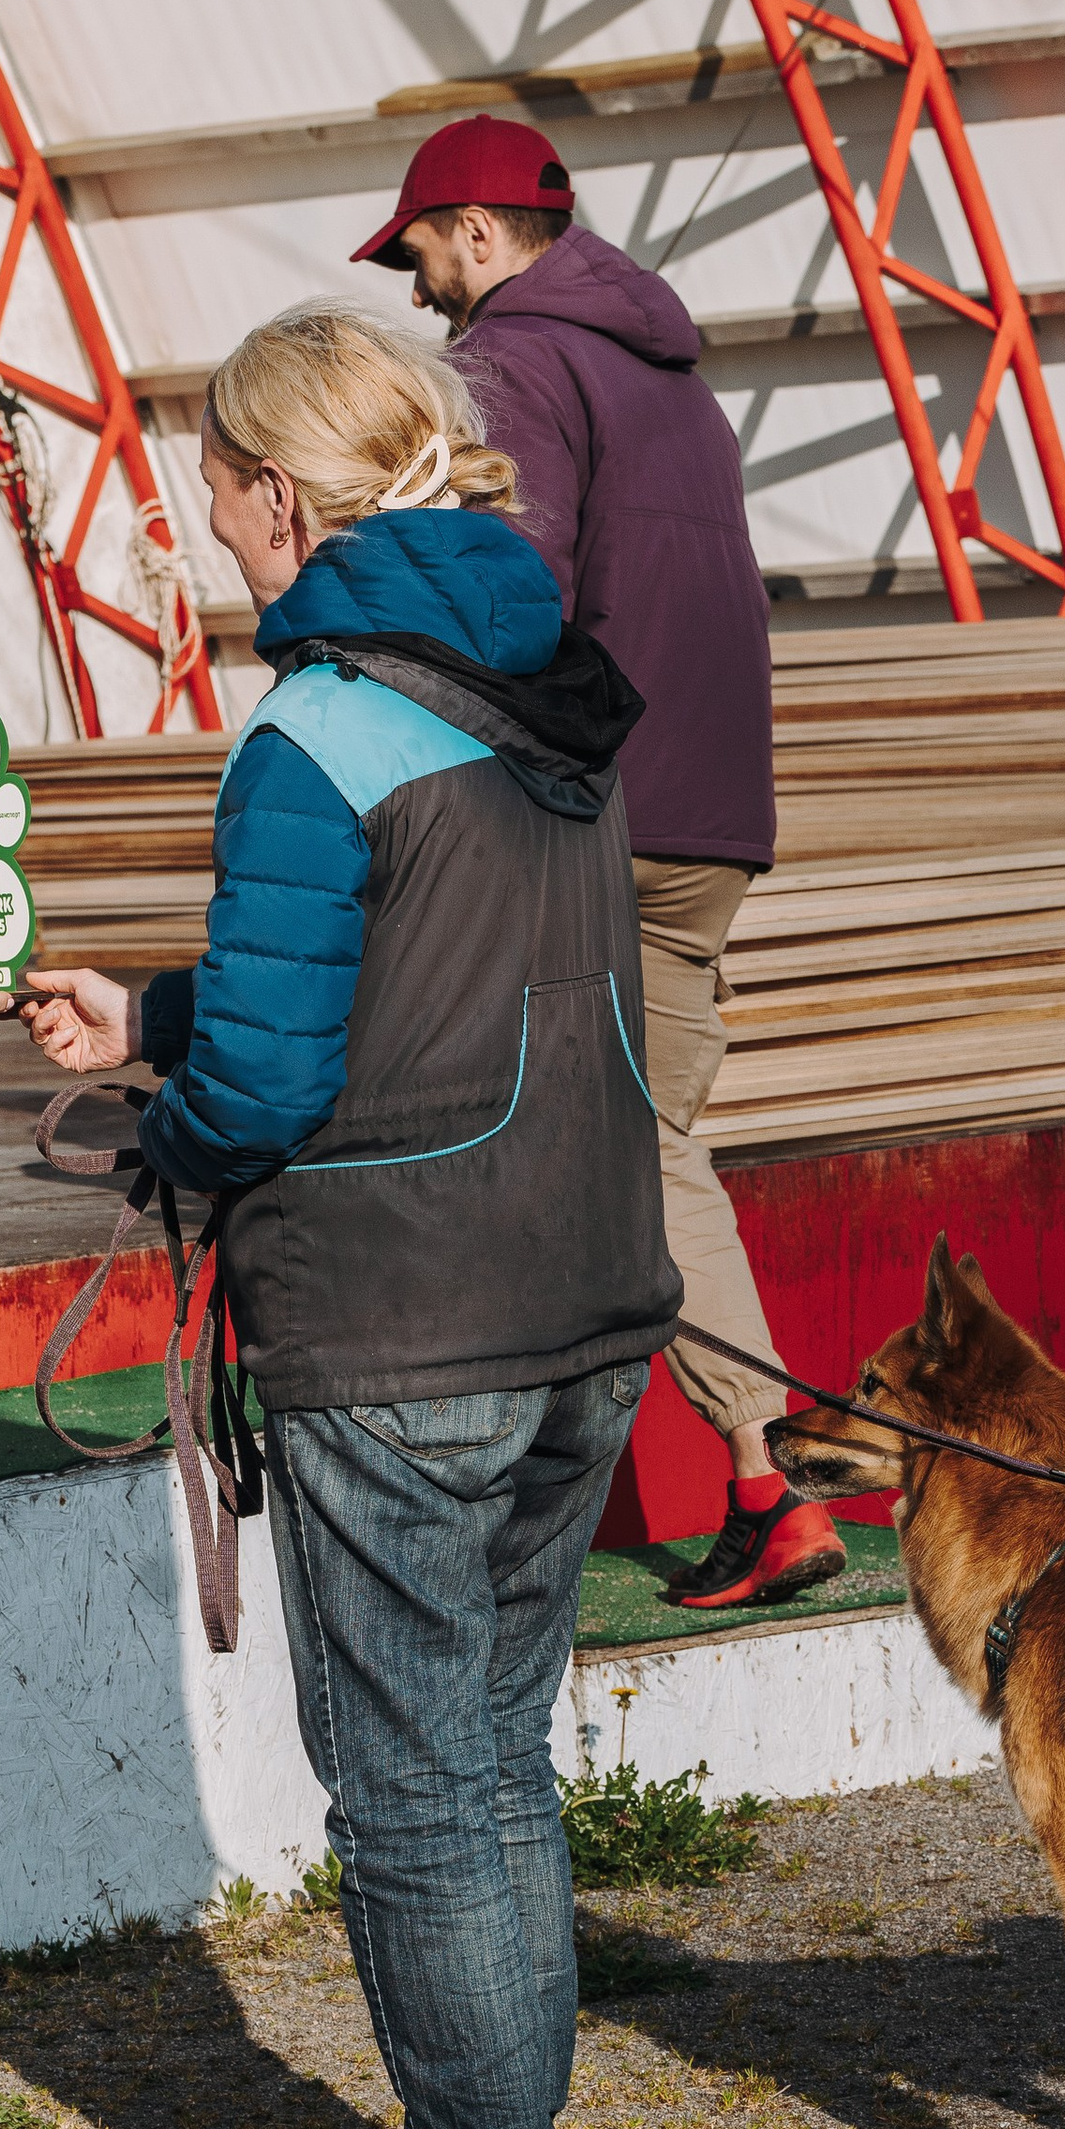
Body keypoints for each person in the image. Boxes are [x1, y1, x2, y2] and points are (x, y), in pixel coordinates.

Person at [28, 310, 676, 2129]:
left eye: (212, 475)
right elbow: (424, 974)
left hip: (397, 1317)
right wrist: (148, 1011)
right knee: (492, 1750)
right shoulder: (532, 686)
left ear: (279, 496)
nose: (195, 511)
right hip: (578, 1295)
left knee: (414, 1777)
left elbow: (280, 1088)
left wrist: (170, 1120)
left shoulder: (306, 731)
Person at [351, 112, 844, 1612]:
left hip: (595, 811)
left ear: (484, 235)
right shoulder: (674, 376)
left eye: (425, 249)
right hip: (715, 824)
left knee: (565, 1145)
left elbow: (522, 581)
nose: (421, 286)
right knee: (649, 1142)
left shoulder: (511, 358)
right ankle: (773, 1481)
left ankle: (690, 1472)